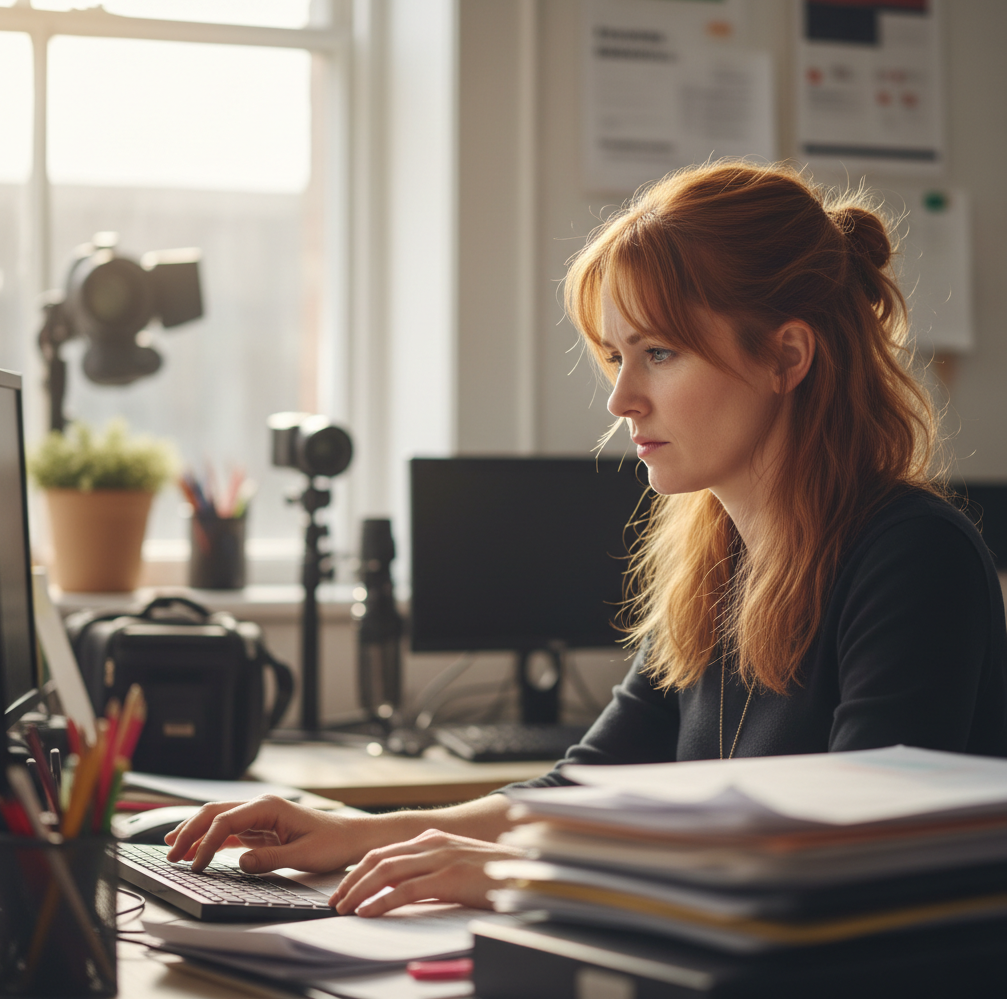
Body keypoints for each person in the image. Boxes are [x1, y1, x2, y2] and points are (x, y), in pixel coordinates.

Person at [166, 160, 1007, 917]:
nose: (622, 400)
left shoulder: (911, 558)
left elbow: (847, 852)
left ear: (787, 355)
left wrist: (516, 872)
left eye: (662, 353)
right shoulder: (719, 562)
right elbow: (588, 785)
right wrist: (352, 830)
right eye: (616, 355)